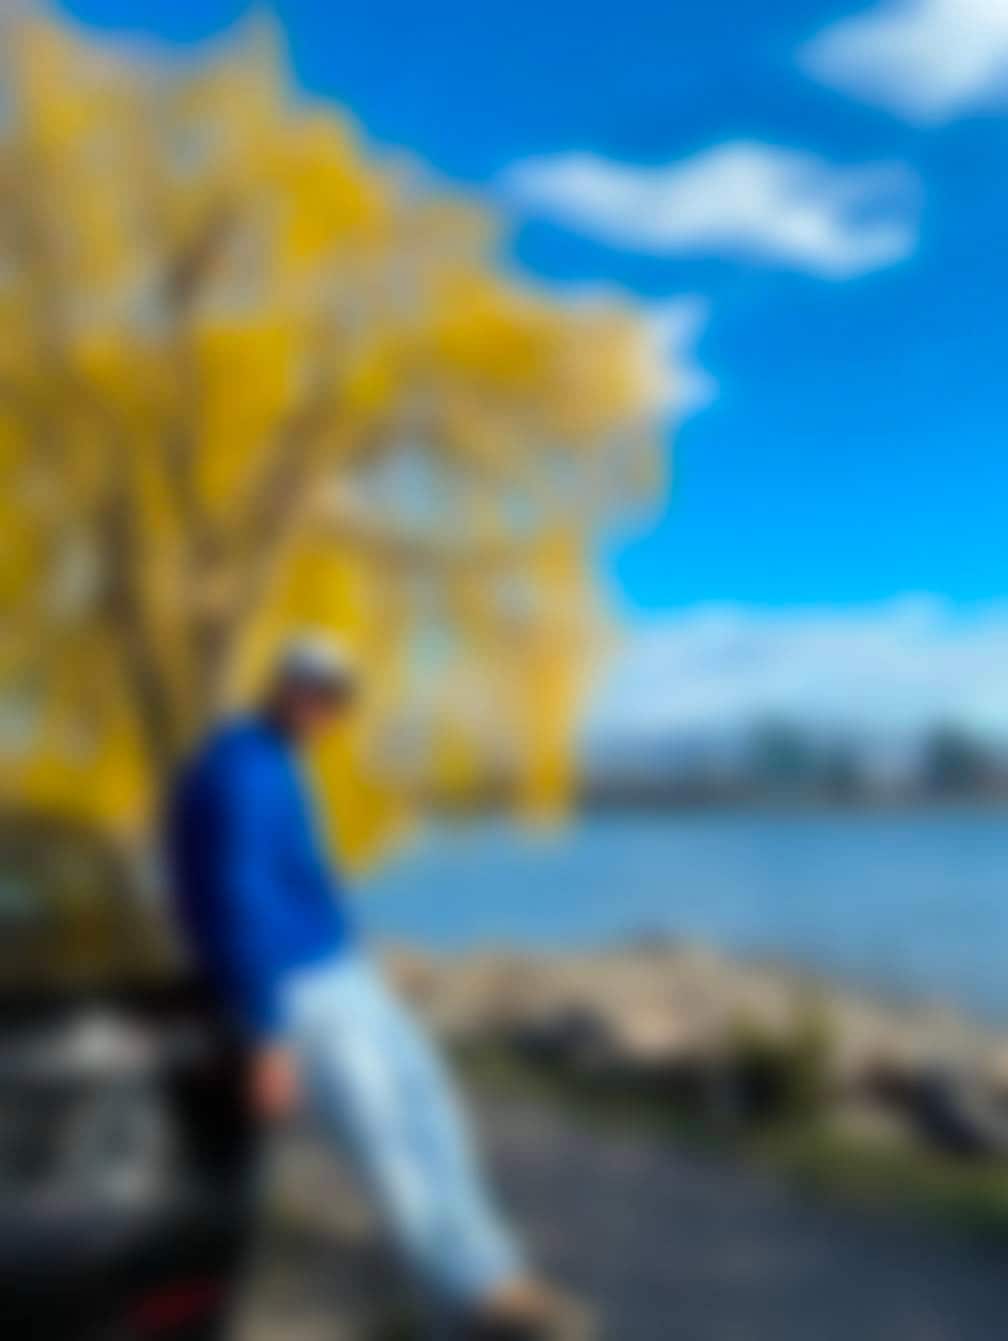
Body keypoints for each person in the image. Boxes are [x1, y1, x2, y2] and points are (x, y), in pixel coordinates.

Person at [166, 634, 582, 1339]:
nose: (326, 709)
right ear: (282, 684)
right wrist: (267, 1037)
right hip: (297, 989)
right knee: (386, 1137)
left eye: (337, 698)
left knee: (430, 1106)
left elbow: (294, 881)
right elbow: (240, 903)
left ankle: (492, 1270)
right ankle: (469, 1301)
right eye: (315, 690)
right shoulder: (238, 771)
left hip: (337, 969)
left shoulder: (273, 759)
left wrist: (354, 954)